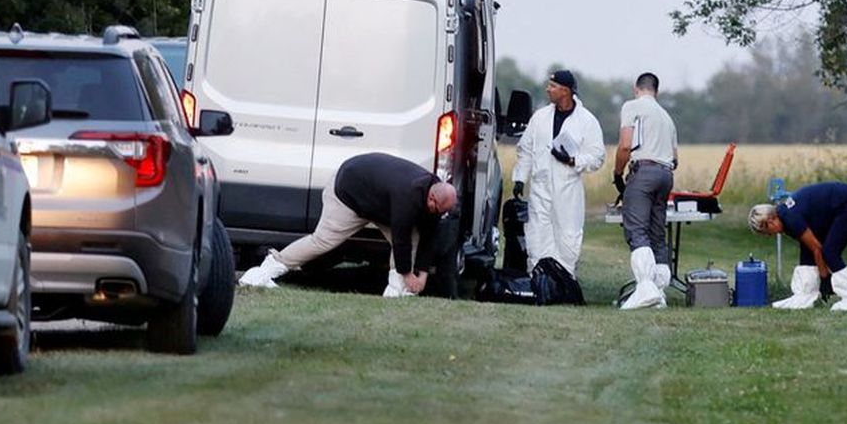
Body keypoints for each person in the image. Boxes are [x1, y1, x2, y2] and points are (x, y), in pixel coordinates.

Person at [238, 153, 457, 296]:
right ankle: (264, 271)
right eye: (437, 210)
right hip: (348, 192)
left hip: (379, 202)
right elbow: (400, 239)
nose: (438, 215)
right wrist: (410, 275)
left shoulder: (437, 200)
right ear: (431, 199)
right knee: (323, 240)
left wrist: (423, 275)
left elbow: (429, 235)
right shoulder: (407, 195)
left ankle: (397, 292)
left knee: (414, 237)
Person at [511, 70, 606, 275]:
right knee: (537, 234)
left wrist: (573, 160)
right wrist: (520, 178)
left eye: (552, 86)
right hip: (541, 187)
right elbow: (525, 149)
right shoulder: (540, 118)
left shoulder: (587, 121)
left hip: (568, 189)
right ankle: (537, 279)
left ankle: (564, 280)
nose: (548, 89)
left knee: (568, 237)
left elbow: (597, 157)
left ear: (565, 91)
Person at [747, 182, 847, 311]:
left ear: (770, 221)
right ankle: (806, 295)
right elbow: (809, 246)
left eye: (766, 232)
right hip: (840, 204)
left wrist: (825, 279)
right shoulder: (785, 215)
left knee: (830, 252)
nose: (769, 236)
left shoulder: (790, 218)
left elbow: (817, 248)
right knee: (807, 254)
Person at [614, 72, 678, 310]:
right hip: (666, 174)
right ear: (656, 91)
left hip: (644, 172)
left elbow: (625, 145)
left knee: (637, 231)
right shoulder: (667, 117)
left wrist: (617, 173)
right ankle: (659, 293)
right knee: (656, 233)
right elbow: (675, 158)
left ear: (636, 88)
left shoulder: (632, 106)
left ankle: (645, 289)